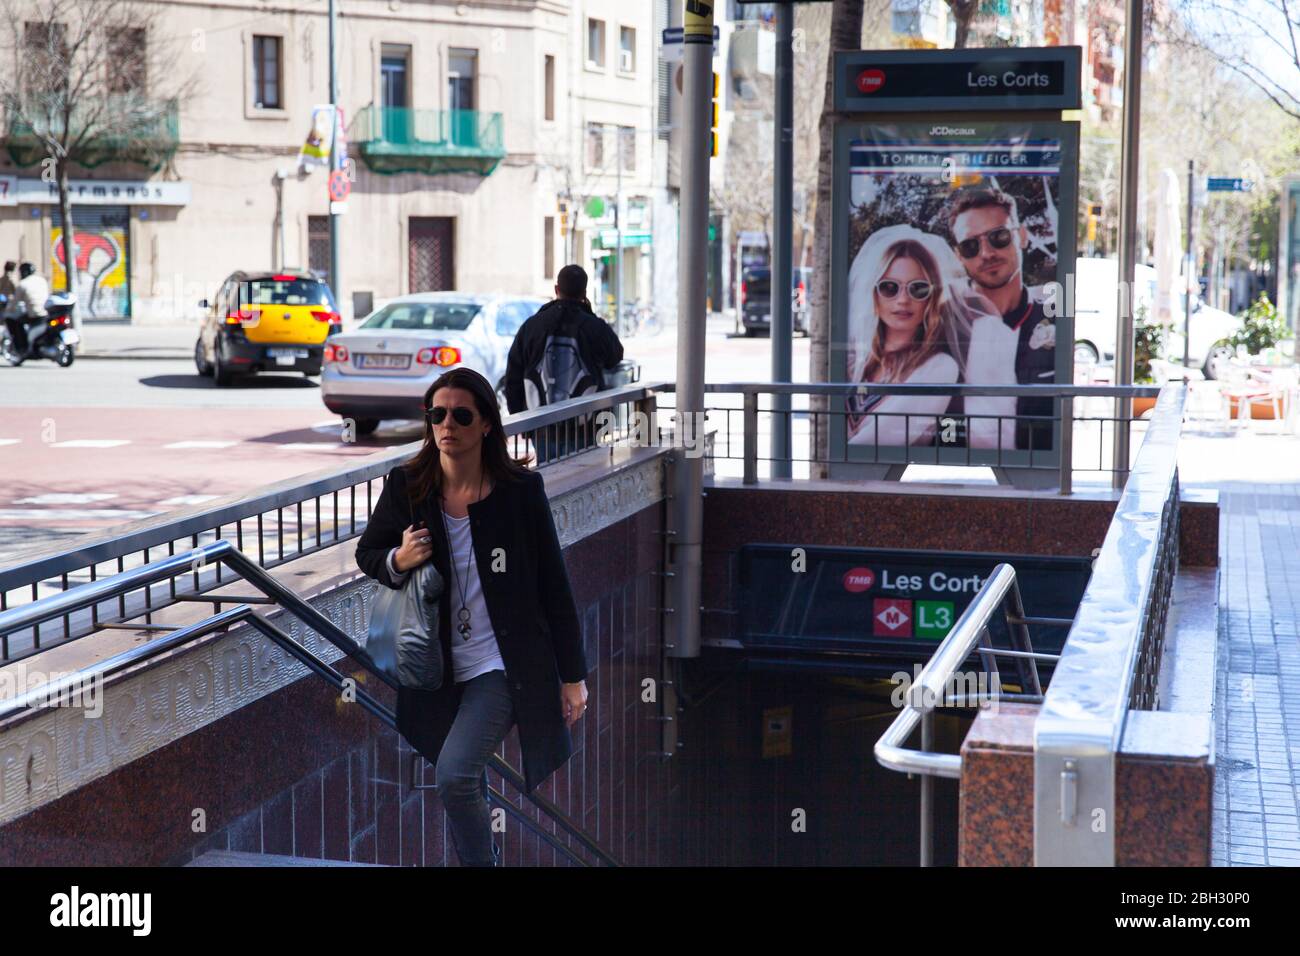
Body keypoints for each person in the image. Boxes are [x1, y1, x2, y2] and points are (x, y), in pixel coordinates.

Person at [354, 366, 589, 867]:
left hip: (500, 664)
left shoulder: (520, 494)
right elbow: (368, 553)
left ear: (486, 424)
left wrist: (573, 676)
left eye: (461, 415)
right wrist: (399, 560)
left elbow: (555, 586)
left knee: (456, 775)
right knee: (465, 776)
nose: (447, 424)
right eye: (437, 414)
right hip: (435, 668)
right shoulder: (408, 487)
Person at [845, 224, 1012, 447]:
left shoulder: (939, 368)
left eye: (918, 289)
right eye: (889, 287)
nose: (903, 300)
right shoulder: (857, 360)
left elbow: (877, 441)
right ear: (873, 293)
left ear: (932, 298)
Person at [947, 187, 1056, 451]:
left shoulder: (1053, 319)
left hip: (1031, 473)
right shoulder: (941, 325)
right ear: (958, 255)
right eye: (970, 245)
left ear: (1021, 236)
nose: (986, 253)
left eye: (998, 236)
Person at [504, 264, 624, 463]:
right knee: (583, 479)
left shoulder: (532, 326)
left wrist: (520, 419)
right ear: (584, 293)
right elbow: (615, 356)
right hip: (585, 425)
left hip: (541, 424)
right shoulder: (595, 326)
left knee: (550, 480)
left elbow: (513, 376)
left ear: (556, 290)